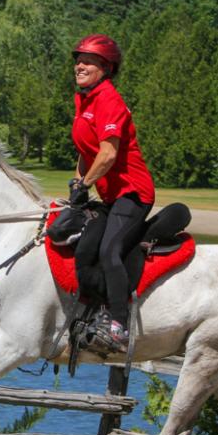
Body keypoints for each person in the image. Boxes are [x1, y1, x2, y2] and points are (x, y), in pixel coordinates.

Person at [69, 34, 155, 351]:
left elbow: (107, 154)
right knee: (83, 245)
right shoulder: (84, 100)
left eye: (88, 61)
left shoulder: (109, 100)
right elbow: (86, 150)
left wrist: (85, 185)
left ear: (106, 68)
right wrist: (76, 183)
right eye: (78, 60)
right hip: (110, 195)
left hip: (133, 193)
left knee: (109, 250)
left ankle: (119, 325)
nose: (80, 65)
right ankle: (91, 311)